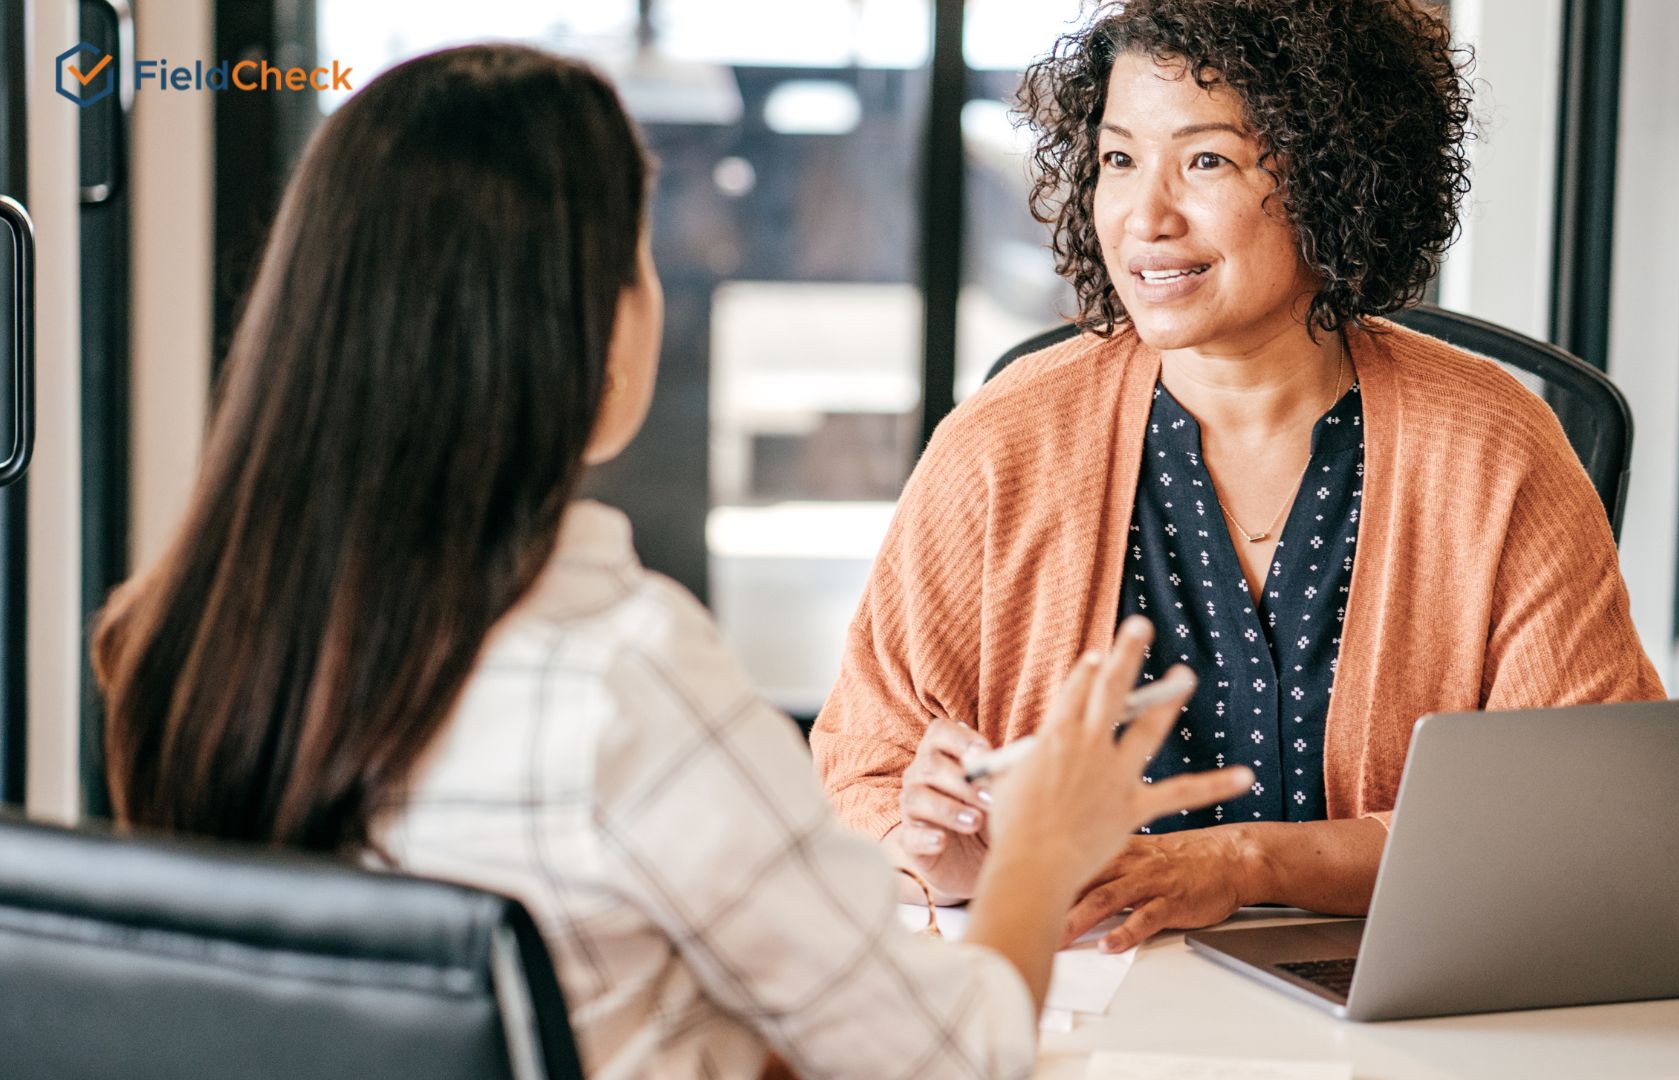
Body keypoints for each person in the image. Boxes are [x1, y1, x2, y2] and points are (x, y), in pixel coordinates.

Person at [91, 44, 1249, 1080]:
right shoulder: (621, 679)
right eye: (640, 260)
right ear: (584, 333)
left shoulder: (179, 640)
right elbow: (952, 1059)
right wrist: (1040, 852)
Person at [811, 0, 1665, 954]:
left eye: (1205, 160)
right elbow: (865, 772)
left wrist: (1248, 862)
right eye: (1119, 159)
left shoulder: (1493, 446)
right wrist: (946, 852)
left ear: (1333, 174)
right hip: (1084, 994)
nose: (1145, 217)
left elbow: (1584, 811)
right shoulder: (1001, 443)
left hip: (1397, 1002)